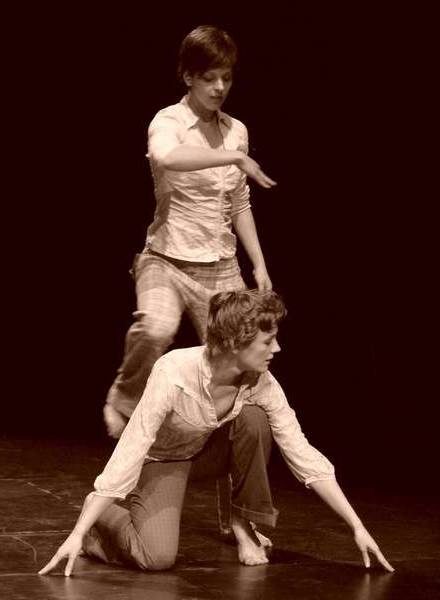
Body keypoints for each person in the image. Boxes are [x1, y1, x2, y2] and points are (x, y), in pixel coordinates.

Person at [39, 289, 394, 576]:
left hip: (208, 453)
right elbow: (135, 444)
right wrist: (78, 531)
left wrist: (356, 526)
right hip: (163, 460)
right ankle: (100, 520)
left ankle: (242, 524)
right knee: (156, 557)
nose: (277, 349)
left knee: (255, 419)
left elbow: (300, 451)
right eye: (267, 341)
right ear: (235, 343)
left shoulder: (262, 383)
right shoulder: (174, 371)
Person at [103, 25, 277, 440]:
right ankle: (124, 398)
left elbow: (239, 204)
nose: (219, 88)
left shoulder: (236, 130)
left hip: (220, 266)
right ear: (188, 76)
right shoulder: (169, 121)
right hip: (165, 259)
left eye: (226, 78)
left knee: (242, 356)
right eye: (209, 78)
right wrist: (232, 157)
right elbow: (167, 157)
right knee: (156, 328)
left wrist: (259, 264)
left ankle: (216, 439)